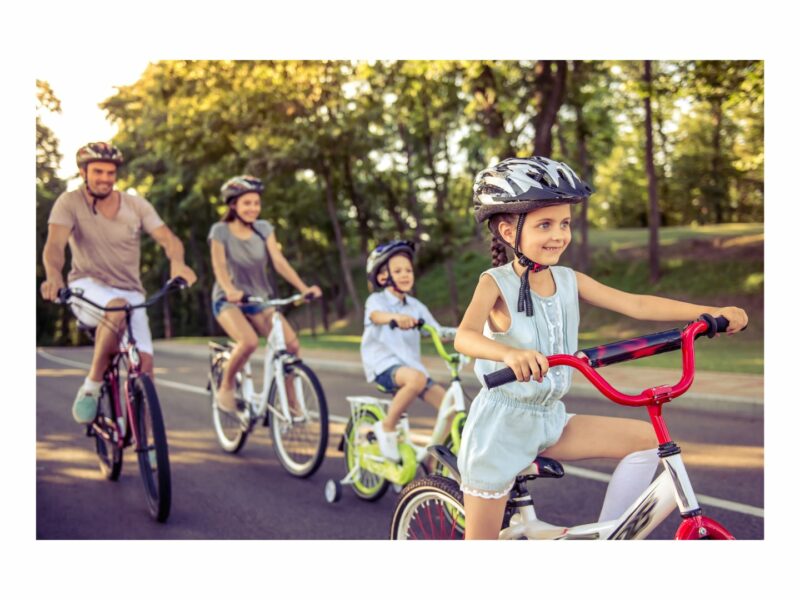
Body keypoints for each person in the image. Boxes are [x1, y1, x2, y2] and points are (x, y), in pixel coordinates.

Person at [453, 156, 748, 540]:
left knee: (647, 441)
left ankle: (609, 542)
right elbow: (464, 336)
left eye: (564, 224)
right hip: (500, 430)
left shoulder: (568, 279)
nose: (559, 235)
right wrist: (509, 354)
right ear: (509, 232)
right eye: (545, 225)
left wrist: (710, 314)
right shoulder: (495, 282)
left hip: (550, 420)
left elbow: (637, 304)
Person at [40, 141, 197, 424]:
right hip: (87, 286)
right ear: (83, 172)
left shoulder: (135, 205)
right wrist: (54, 276)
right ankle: (91, 386)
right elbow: (54, 246)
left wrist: (178, 262)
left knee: (145, 367)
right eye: (98, 172)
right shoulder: (69, 202)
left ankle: (141, 437)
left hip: (131, 291)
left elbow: (168, 239)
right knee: (117, 308)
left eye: (110, 172)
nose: (105, 178)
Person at [208, 175, 322, 415]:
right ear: (233, 205)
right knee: (248, 342)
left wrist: (303, 289)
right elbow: (219, 266)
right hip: (228, 300)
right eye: (247, 203)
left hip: (259, 299)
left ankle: (291, 403)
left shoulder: (263, 229)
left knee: (291, 345)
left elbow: (279, 262)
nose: (253, 208)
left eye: (256, 203)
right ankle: (226, 386)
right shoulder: (220, 231)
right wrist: (229, 290)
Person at [360, 240, 454, 462]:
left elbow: (438, 332)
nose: (405, 274)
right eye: (398, 271)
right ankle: (387, 426)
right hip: (383, 365)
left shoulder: (416, 306)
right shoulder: (376, 301)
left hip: (412, 369)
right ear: (383, 278)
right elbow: (376, 316)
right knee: (416, 379)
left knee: (449, 408)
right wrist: (395, 317)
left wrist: (467, 332)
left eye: (408, 270)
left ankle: (432, 460)